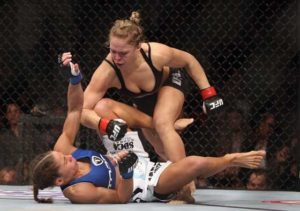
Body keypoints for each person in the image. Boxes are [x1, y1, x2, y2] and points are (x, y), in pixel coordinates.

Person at [31, 61, 265, 204]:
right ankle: (231, 159)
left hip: (126, 156)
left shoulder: (63, 151)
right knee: (192, 164)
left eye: (63, 155)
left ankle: (163, 125)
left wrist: (74, 81)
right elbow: (121, 199)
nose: (68, 155)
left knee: (102, 107)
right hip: (143, 182)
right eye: (65, 161)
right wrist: (126, 173)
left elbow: (74, 111)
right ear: (61, 180)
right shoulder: (78, 191)